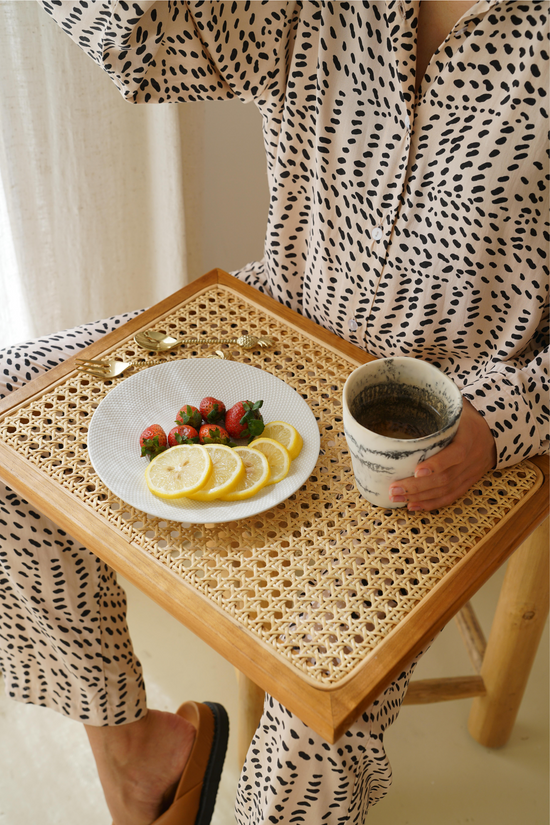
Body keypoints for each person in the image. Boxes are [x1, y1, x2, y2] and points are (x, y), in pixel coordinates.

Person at [1, 1, 547, 823]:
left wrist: (506, 417)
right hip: (272, 326)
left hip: (436, 424)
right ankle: (130, 749)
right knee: (10, 407)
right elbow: (143, 46)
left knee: (313, 730)